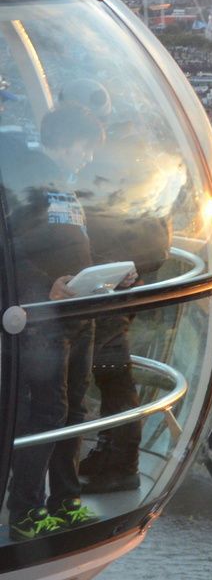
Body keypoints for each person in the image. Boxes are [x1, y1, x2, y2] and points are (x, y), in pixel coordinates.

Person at [2, 104, 109, 538]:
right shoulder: (28, 185)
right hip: (44, 322)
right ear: (65, 142)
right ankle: (24, 509)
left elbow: (75, 246)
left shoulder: (67, 187)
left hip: (79, 313)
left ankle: (66, 501)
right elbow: (13, 255)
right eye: (84, 149)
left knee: (76, 411)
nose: (86, 159)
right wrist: (47, 285)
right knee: (48, 411)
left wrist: (109, 271)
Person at [70, 80, 176, 493]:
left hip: (111, 280)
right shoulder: (135, 151)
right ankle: (111, 455)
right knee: (110, 371)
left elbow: (95, 219)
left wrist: (106, 268)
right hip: (125, 273)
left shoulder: (105, 159)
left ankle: (117, 463)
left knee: (109, 371)